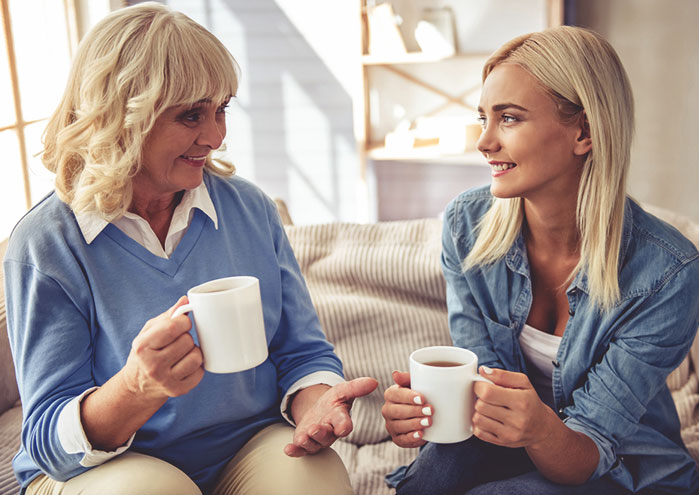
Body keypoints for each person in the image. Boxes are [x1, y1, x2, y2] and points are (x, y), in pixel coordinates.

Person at [3, 3, 377, 494]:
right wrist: (137, 386)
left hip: (243, 446)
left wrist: (317, 402)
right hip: (105, 468)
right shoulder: (47, 242)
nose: (217, 136)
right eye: (191, 115)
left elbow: (302, 351)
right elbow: (50, 441)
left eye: (221, 109)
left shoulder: (250, 210)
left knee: (314, 478)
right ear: (120, 117)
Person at [382, 25, 699, 494]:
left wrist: (537, 428)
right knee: (432, 474)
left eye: (508, 118)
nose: (484, 142)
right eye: (483, 118)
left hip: (619, 465)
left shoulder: (668, 272)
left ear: (584, 132)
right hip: (507, 442)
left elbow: (589, 448)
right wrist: (423, 414)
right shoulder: (465, 228)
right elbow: (478, 392)